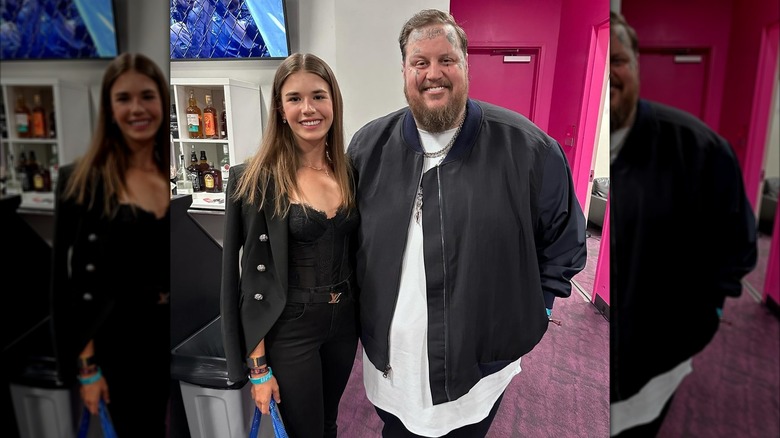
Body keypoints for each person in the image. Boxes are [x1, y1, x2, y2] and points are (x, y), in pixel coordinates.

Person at [347, 9, 587, 437]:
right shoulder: (368, 148)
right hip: (390, 365)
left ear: (465, 66)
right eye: (420, 62)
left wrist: (539, 308)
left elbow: (565, 243)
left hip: (478, 367)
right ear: (404, 70)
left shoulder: (529, 150)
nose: (433, 73)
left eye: (447, 60)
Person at [609, 11, 758, 437]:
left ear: (637, 64)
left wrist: (702, 320)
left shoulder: (700, 150)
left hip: (656, 373)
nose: (608, 74)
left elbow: (738, 249)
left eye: (617, 61)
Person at [220, 53, 359, 438]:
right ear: (280, 109)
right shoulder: (252, 180)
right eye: (294, 98)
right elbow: (245, 281)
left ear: (334, 102)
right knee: (304, 431)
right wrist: (258, 367)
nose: (308, 108)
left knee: (329, 422)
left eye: (318, 96)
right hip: (290, 329)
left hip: (345, 322)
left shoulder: (349, 171)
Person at [49, 52, 171, 435]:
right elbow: (66, 285)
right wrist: (86, 369)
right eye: (124, 98)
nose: (137, 108)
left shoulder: (170, 173)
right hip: (120, 343)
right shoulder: (78, 182)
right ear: (109, 107)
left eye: (147, 96)